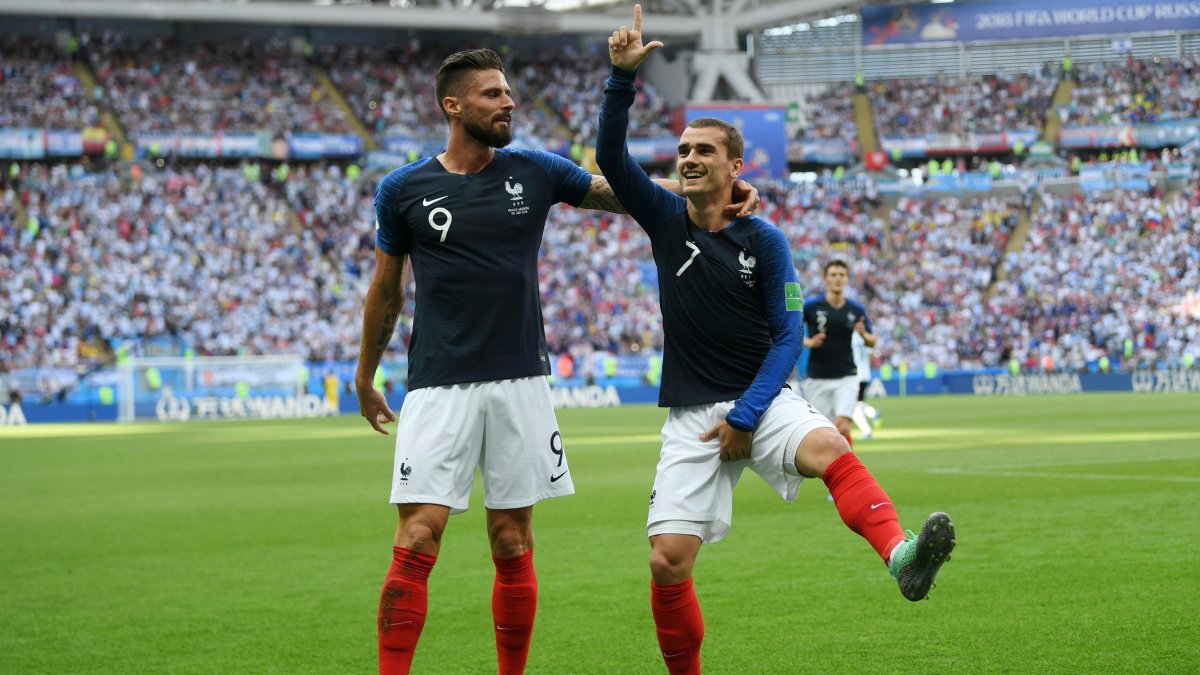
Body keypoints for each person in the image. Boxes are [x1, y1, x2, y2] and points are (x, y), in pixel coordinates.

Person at [355, 47, 759, 675]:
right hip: (436, 383)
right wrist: (364, 373)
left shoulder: (535, 170)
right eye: (492, 94)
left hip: (521, 380)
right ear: (453, 105)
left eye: (508, 91)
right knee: (417, 537)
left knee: (512, 542)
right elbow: (386, 289)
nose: (508, 101)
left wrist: (710, 192)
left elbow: (621, 193)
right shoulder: (403, 189)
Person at [597, 7, 955, 674]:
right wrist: (621, 80)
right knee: (666, 559)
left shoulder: (765, 241)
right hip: (690, 415)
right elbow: (614, 160)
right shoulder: (664, 218)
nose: (690, 158)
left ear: (735, 165)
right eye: (683, 151)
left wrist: (746, 414)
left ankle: (901, 555)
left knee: (829, 444)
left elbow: (790, 333)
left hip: (758, 399)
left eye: (705, 150)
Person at [803, 260, 875, 449]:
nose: (838, 279)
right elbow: (788, 330)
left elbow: (872, 340)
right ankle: (832, 469)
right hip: (818, 378)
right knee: (824, 433)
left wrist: (864, 334)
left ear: (847, 278)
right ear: (825, 278)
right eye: (833, 274)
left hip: (847, 376)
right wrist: (809, 342)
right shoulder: (811, 306)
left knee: (843, 426)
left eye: (842, 275)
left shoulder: (856, 309)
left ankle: (848, 468)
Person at [850, 330, 880, 440]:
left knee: (852, 406)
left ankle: (866, 431)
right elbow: (873, 355)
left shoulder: (849, 336)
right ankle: (872, 412)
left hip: (854, 375)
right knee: (857, 403)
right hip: (865, 374)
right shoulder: (864, 336)